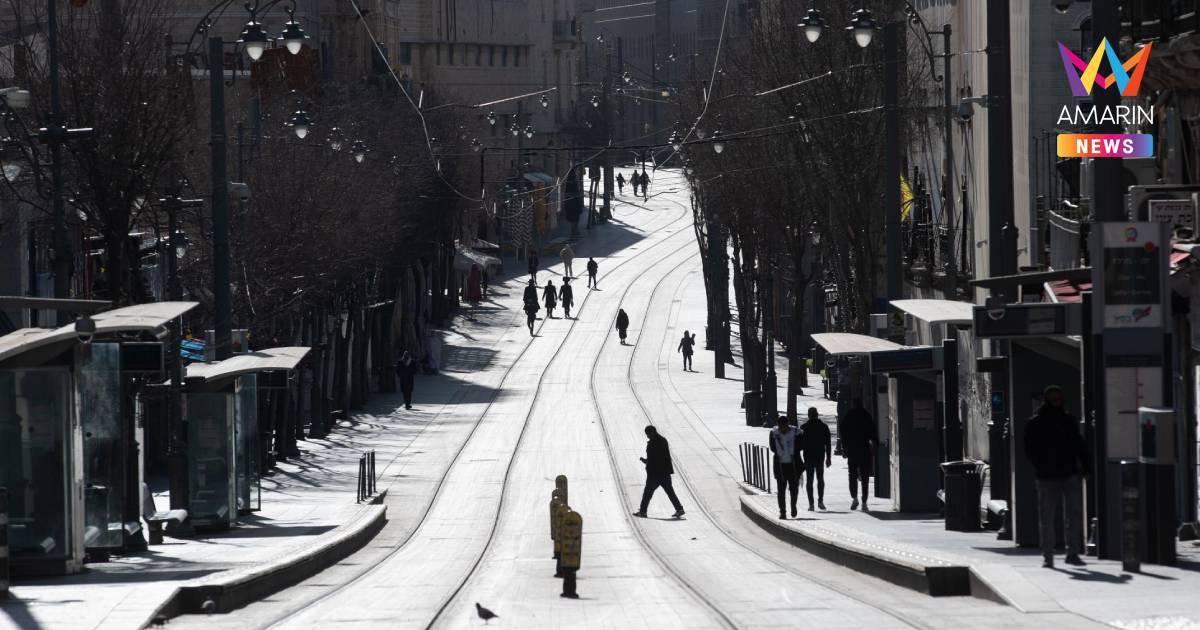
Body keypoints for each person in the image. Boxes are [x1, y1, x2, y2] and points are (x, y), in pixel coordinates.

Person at [1024, 385, 1088, 568]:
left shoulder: (1061, 421)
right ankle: (1055, 555)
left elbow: (1079, 445)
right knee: (1058, 516)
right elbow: (1030, 449)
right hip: (1053, 475)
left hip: (1061, 473)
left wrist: (1085, 466)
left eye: (1058, 399)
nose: (1056, 403)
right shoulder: (1042, 422)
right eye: (1054, 400)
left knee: (1057, 516)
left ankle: (1063, 554)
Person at [633, 425, 685, 518]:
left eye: (647, 434)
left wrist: (646, 461)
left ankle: (643, 511)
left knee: (648, 492)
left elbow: (653, 458)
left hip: (655, 473)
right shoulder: (663, 440)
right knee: (669, 491)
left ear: (651, 433)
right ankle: (679, 509)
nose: (647, 436)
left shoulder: (653, 443)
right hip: (665, 472)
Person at [840, 398, 875, 511]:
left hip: (852, 449)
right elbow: (872, 430)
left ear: (853, 404)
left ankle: (854, 498)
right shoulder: (866, 415)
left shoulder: (849, 415)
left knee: (852, 475)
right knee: (865, 477)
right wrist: (875, 443)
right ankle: (864, 502)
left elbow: (842, 429)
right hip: (864, 448)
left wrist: (844, 447)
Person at [769, 415, 803, 519]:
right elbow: (772, 447)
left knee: (794, 489)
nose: (783, 429)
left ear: (787, 425)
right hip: (780, 466)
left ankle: (793, 506)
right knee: (781, 491)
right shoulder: (774, 433)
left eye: (784, 427)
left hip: (793, 465)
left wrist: (792, 448)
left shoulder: (796, 432)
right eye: (781, 427)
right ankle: (782, 512)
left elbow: (801, 445)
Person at [799, 407, 832, 511]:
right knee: (820, 479)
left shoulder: (804, 427)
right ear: (817, 415)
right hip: (819, 456)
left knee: (810, 480)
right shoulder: (823, 427)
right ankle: (820, 501)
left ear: (809, 415)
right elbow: (828, 444)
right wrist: (828, 457)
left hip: (808, 457)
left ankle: (811, 504)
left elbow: (800, 444)